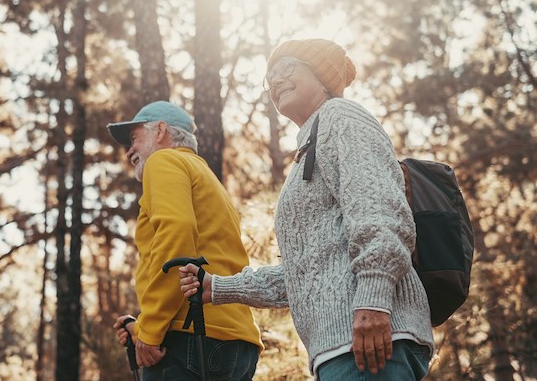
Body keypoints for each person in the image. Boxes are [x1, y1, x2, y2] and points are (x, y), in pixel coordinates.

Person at [180, 39, 435, 380]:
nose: (276, 80)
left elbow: (381, 212)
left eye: (287, 68)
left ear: (322, 75)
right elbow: (307, 272)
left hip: (370, 341)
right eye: (270, 76)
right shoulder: (308, 145)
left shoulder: (341, 116)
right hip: (342, 349)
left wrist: (373, 299)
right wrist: (219, 287)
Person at [108, 100, 262, 380]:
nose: (129, 151)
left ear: (160, 131)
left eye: (133, 138)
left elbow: (176, 236)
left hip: (189, 340)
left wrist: (150, 331)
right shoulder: (208, 178)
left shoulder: (163, 160)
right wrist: (140, 327)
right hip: (238, 346)